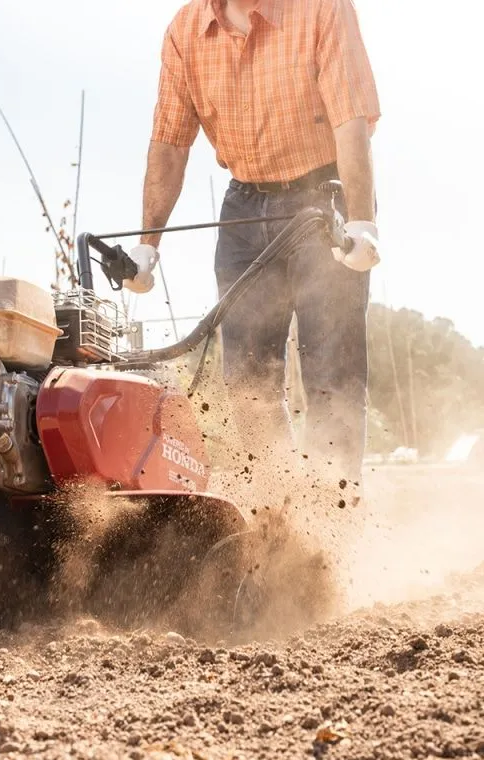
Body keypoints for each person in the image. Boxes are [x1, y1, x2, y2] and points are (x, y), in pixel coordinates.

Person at [124, 0, 381, 489]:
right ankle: (279, 505)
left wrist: (362, 219)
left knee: (331, 374)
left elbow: (352, 123)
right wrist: (146, 246)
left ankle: (331, 514)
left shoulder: (321, 9)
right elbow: (170, 142)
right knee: (248, 382)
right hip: (244, 207)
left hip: (323, 195)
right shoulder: (185, 31)